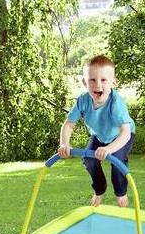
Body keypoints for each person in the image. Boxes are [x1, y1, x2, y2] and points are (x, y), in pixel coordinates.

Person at [58, 55, 135, 207]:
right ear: (85, 82)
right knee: (89, 159)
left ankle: (121, 192)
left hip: (121, 136)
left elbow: (125, 133)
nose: (97, 85)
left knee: (117, 160)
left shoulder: (115, 103)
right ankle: (99, 190)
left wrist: (109, 149)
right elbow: (69, 124)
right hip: (99, 135)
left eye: (103, 80)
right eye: (92, 80)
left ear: (113, 82)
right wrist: (64, 144)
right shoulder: (83, 100)